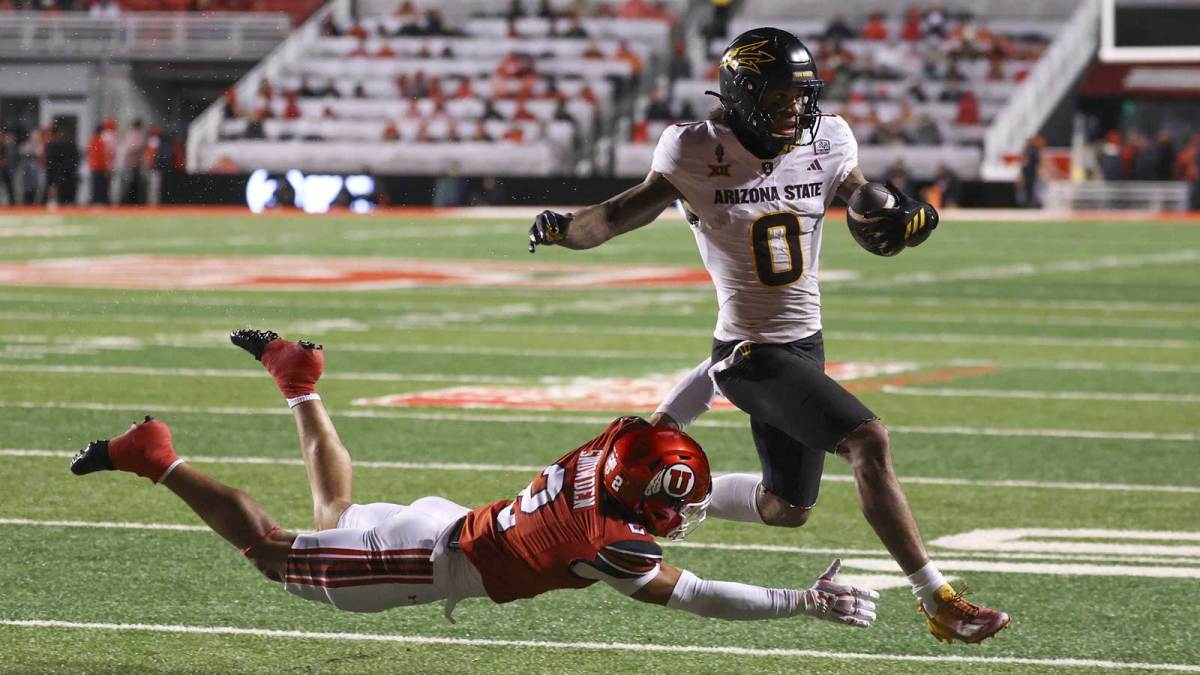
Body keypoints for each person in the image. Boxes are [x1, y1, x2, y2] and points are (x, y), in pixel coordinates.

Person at [526, 26, 1009, 644]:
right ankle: (938, 599)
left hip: (804, 341)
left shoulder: (829, 136)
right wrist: (566, 229)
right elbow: (620, 215)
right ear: (743, 93)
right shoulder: (695, 149)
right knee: (869, 442)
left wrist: (906, 214)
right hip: (747, 352)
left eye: (801, 97)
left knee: (787, 509)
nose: (795, 110)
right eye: (781, 98)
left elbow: (865, 196)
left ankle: (681, 501)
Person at [69, 329, 878, 627]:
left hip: (451, 525)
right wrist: (799, 602)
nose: (686, 510)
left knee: (337, 508)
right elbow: (699, 592)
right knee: (275, 551)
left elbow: (674, 417)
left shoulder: (616, 447)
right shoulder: (614, 541)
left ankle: (300, 380)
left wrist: (723, 362)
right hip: (431, 556)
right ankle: (156, 454)